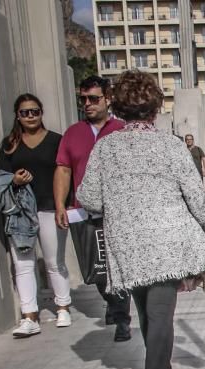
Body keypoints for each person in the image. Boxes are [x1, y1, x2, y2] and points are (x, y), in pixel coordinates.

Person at [78, 70, 205, 369]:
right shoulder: (170, 146)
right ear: (155, 109)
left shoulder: (106, 147)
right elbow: (196, 198)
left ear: (119, 108)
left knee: (147, 313)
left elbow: (90, 197)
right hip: (168, 242)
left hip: (128, 245)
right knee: (161, 317)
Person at [54, 75, 132, 341]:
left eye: (94, 99)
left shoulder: (122, 129)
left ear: (107, 100)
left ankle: (123, 318)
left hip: (118, 212)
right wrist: (60, 205)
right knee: (98, 269)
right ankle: (111, 300)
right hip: (84, 210)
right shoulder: (73, 134)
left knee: (120, 265)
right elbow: (63, 169)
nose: (88, 104)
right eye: (83, 99)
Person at [0, 93, 72, 337]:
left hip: (50, 207)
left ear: (41, 113)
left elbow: (66, 172)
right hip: (20, 212)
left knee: (53, 261)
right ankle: (29, 316)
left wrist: (64, 206)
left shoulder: (56, 140)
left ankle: (62, 307)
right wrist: (14, 179)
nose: (30, 116)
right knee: (23, 264)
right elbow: (0, 176)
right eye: (24, 112)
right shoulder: (10, 144)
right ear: (17, 115)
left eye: (35, 111)